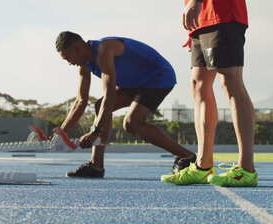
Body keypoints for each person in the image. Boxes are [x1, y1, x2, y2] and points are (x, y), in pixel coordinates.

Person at [161, 0, 257, 187]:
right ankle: (203, 165)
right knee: (199, 83)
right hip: (202, 18)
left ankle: (246, 168)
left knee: (230, 81)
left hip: (221, 10)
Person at [56, 31, 195, 178]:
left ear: (78, 48)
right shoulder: (84, 65)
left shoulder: (104, 50)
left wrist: (95, 132)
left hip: (158, 76)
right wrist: (60, 134)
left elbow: (109, 94)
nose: (70, 63)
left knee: (132, 123)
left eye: (68, 58)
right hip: (134, 83)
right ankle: (96, 166)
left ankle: (187, 156)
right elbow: (80, 101)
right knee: (99, 106)